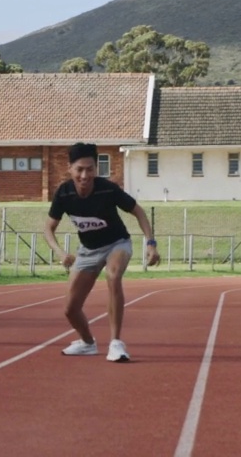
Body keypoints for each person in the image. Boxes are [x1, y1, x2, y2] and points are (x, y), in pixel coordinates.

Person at [44, 142, 160, 363]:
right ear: (69, 168)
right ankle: (87, 343)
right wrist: (60, 253)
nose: (85, 175)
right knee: (70, 309)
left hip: (117, 243)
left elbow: (139, 212)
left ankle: (116, 343)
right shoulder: (64, 194)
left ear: (96, 169)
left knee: (113, 276)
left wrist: (151, 243)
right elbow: (48, 228)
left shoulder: (107, 189)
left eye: (90, 169)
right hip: (88, 251)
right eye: (79, 169)